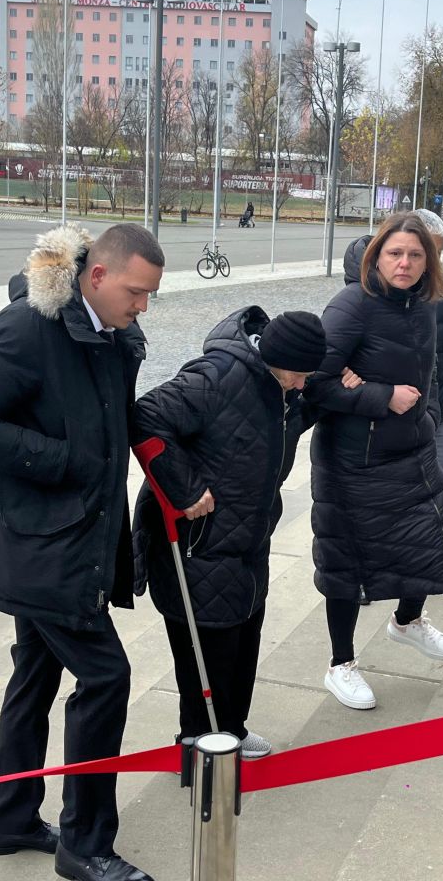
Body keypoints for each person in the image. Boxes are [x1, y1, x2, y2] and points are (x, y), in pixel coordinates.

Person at [0, 223, 163, 881]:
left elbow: (113, 421)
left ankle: (11, 820)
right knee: (106, 677)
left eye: (150, 295)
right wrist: (63, 461)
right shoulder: (28, 327)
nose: (143, 305)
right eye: (136, 292)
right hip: (41, 547)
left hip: (69, 534)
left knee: (35, 674)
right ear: (97, 276)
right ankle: (84, 844)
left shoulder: (112, 333)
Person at [131, 308, 327, 758]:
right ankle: (197, 745)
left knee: (243, 640)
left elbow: (290, 415)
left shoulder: (281, 386)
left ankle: (231, 730)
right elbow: (145, 417)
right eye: (299, 375)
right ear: (275, 359)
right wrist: (185, 489)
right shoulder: (216, 377)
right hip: (199, 544)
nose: (302, 384)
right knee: (206, 656)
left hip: (248, 540)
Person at [308, 212, 443, 711]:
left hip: (411, 448)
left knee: (427, 539)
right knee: (346, 563)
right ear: (377, 255)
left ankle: (407, 620)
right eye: (395, 253)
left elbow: (432, 371)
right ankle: (341, 664)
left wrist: (429, 414)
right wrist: (381, 396)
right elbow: (314, 382)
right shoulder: (352, 305)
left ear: (430, 261)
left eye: (416, 255)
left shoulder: (425, 305)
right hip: (352, 460)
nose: (405, 263)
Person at [341, 210, 443, 516]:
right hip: (381, 416)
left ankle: (439, 532)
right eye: (400, 253)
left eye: (432, 254)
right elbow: (325, 370)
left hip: (432, 406)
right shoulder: (359, 296)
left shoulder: (442, 289)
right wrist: (374, 392)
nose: (412, 263)